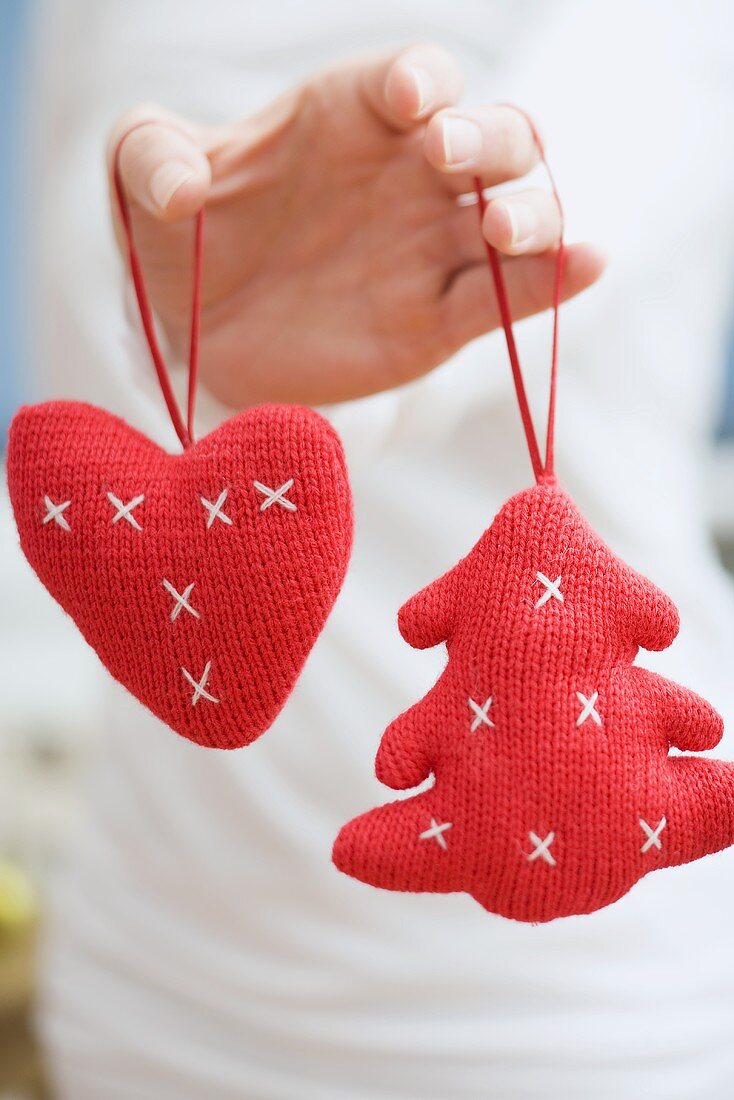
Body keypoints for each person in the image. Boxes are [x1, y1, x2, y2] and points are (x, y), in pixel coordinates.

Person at [30, 2, 734, 1098]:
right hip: (155, 981)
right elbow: (74, 352)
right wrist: (189, 341)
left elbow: (539, 247)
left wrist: (294, 368)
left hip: (573, 1028)